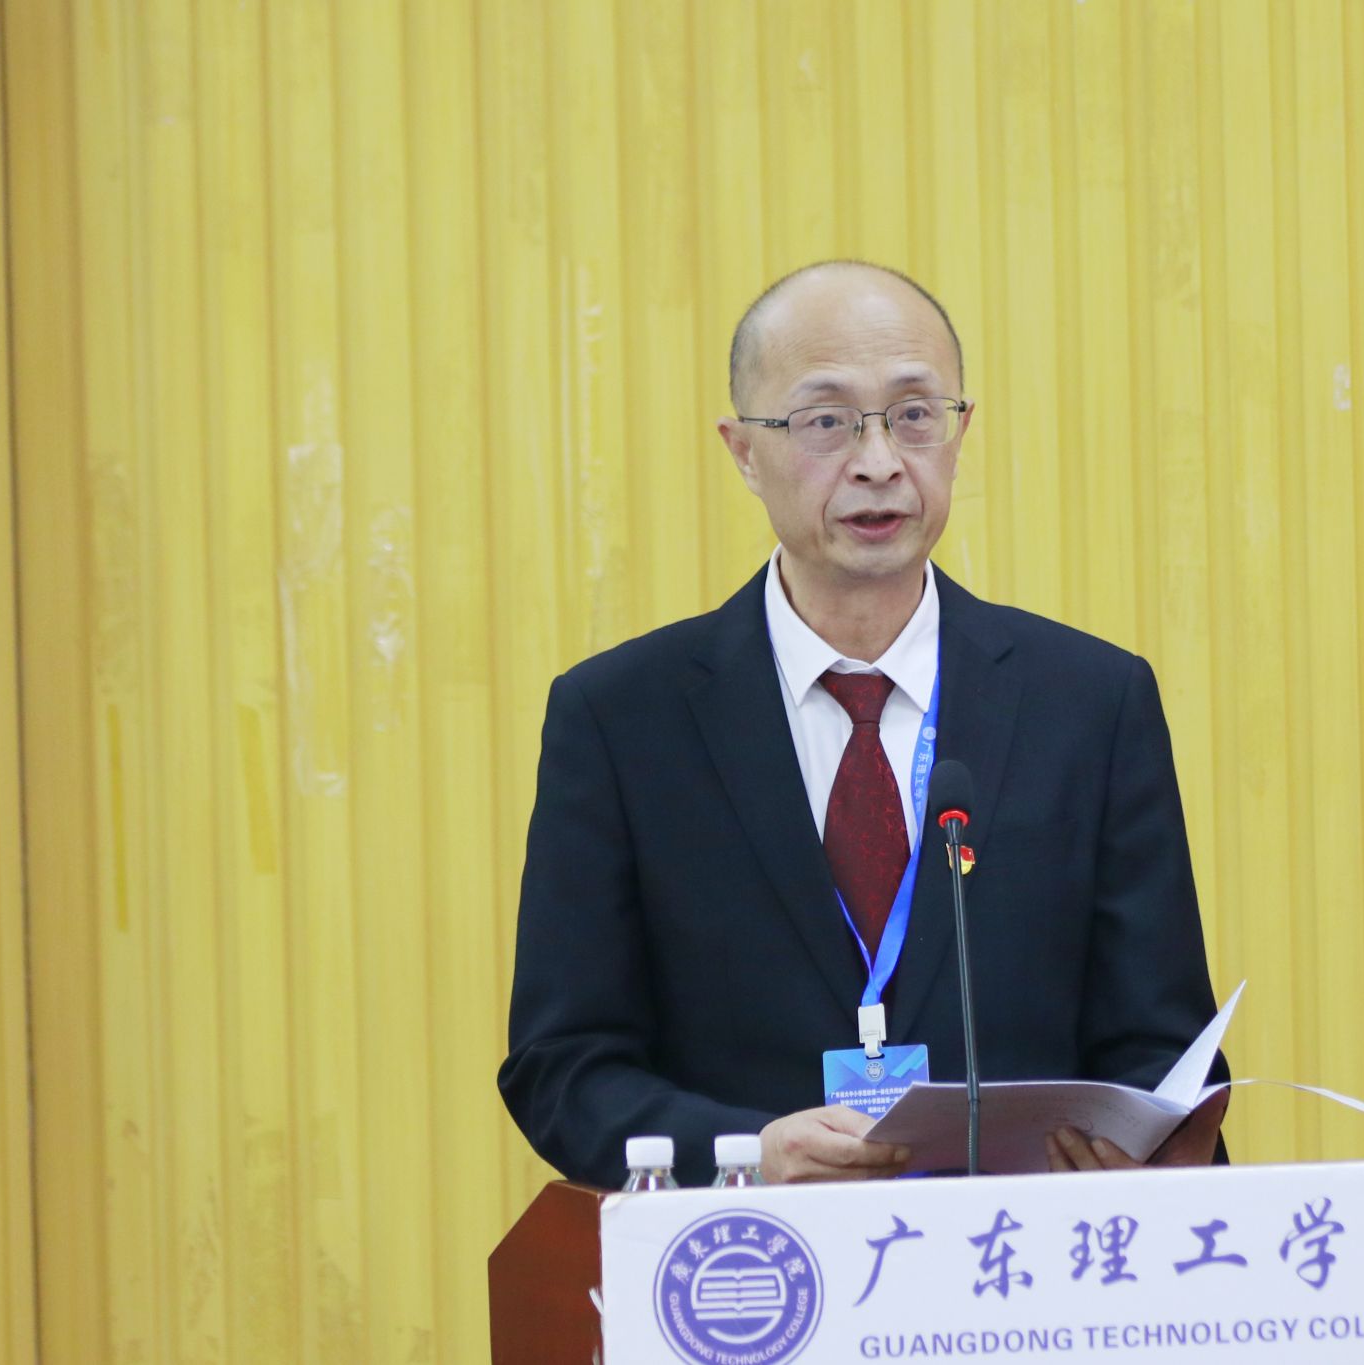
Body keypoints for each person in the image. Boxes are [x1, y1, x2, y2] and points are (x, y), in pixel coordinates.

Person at [499, 261, 1226, 1188]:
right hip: (757, 1259)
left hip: (1016, 1256)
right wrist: (751, 1153)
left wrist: (1142, 1148)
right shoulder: (622, 720)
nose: (879, 460)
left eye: (915, 415)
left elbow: (1163, 1045)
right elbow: (563, 1064)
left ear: (960, 433)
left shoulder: (1090, 703)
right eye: (827, 420)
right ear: (743, 450)